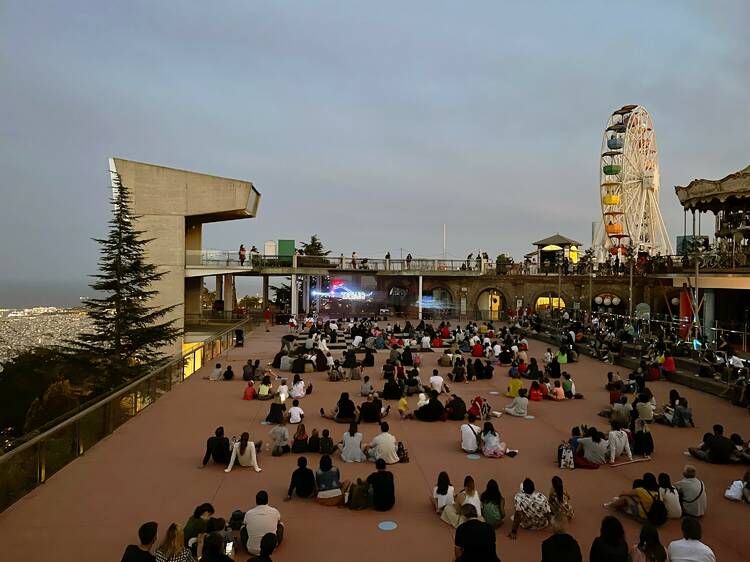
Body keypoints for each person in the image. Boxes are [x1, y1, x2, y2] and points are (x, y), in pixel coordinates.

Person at [242, 491, 283, 557]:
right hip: (270, 549)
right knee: (281, 524)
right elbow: (279, 521)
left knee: (243, 527)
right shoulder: (274, 511)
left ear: (256, 501)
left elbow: (244, 524)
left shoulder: (249, 513)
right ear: (267, 500)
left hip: (251, 549)